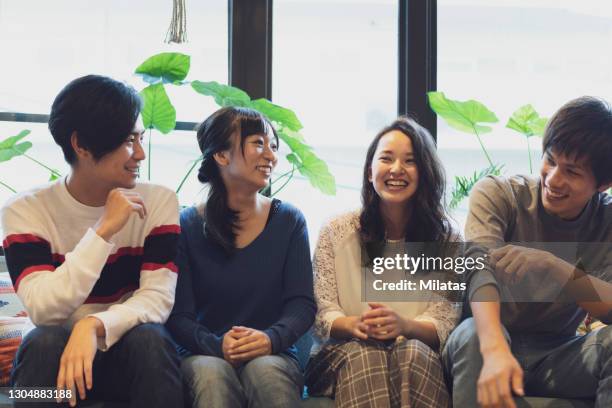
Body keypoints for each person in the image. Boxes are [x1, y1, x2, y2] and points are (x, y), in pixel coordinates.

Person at [0, 75, 183, 407]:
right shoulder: (26, 210)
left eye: (140, 138)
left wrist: (94, 325)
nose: (140, 153)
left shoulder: (159, 201)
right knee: (43, 342)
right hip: (52, 368)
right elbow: (44, 310)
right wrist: (103, 231)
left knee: (150, 341)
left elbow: (157, 299)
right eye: (129, 140)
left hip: (129, 358)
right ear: (81, 145)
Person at [443, 96, 612, 408]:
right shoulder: (499, 194)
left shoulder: (606, 222)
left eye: (572, 172)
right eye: (550, 159)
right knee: (474, 336)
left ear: (603, 184)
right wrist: (495, 349)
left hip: (556, 355)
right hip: (484, 339)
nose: (553, 178)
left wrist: (553, 268)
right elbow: (477, 271)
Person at [166, 106, 316, 408]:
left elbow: (301, 303)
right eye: (258, 143)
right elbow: (178, 315)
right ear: (221, 155)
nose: (271, 156)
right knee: (210, 375)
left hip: (273, 352)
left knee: (266, 371)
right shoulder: (186, 225)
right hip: (203, 352)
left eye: (273, 146)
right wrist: (216, 345)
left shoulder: (288, 220)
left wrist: (270, 339)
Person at [305, 117, 461, 408]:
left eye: (410, 161)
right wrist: (353, 325)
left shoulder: (446, 239)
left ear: (425, 173)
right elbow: (320, 312)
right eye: (386, 159)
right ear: (369, 172)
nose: (396, 169)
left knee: (412, 352)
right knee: (368, 354)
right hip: (340, 354)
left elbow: (445, 320)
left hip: (417, 354)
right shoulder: (337, 230)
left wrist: (404, 326)